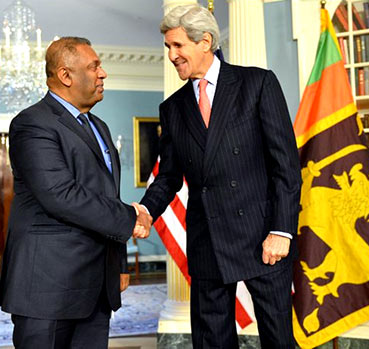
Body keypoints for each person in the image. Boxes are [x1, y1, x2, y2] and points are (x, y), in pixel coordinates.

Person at [138, 5, 301, 349]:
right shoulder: (172, 108)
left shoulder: (256, 83)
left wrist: (282, 230)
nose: (171, 55)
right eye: (168, 47)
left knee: (279, 340)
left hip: (264, 237)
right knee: (211, 342)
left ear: (205, 41)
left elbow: (285, 166)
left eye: (177, 46)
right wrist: (146, 210)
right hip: (207, 239)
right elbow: (168, 176)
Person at [0, 37, 151, 348]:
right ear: (66, 75)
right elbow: (59, 194)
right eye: (94, 66)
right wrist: (131, 216)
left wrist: (118, 264)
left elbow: (106, 196)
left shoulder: (101, 127)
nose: (103, 73)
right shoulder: (32, 123)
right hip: (47, 288)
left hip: (96, 288)